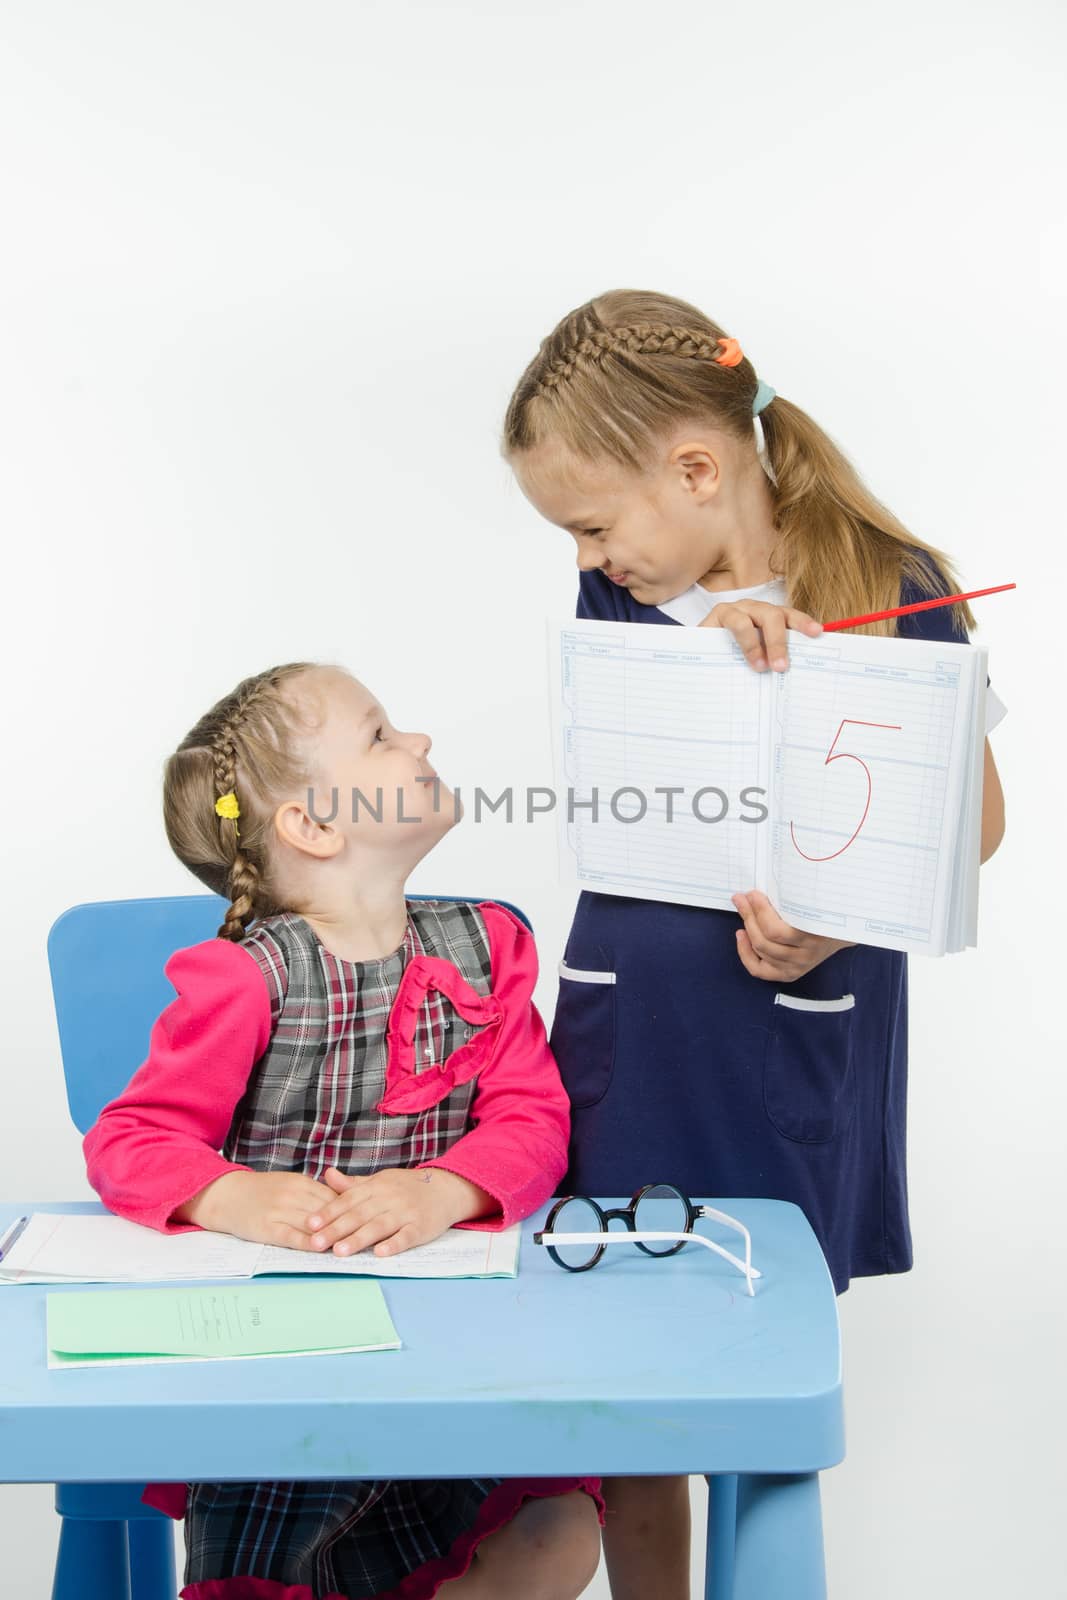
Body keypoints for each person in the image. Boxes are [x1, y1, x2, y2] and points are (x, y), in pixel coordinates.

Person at [501, 288, 1006, 1600]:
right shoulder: (622, 597)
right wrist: (703, 670)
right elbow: (619, 768)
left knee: (758, 1368)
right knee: (625, 1380)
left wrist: (839, 912)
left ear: (693, 466)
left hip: (789, 1049)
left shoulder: (892, 587)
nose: (591, 556)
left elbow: (974, 830)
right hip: (634, 1043)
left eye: (595, 522)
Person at [84, 661, 603, 1600]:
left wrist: (448, 1187)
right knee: (275, 1574)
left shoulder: (487, 946)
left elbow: (533, 1115)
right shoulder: (244, 978)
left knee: (558, 1529)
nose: (421, 743)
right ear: (314, 826)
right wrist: (230, 1193)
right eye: (379, 735)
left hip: (456, 1350)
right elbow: (130, 1140)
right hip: (291, 1370)